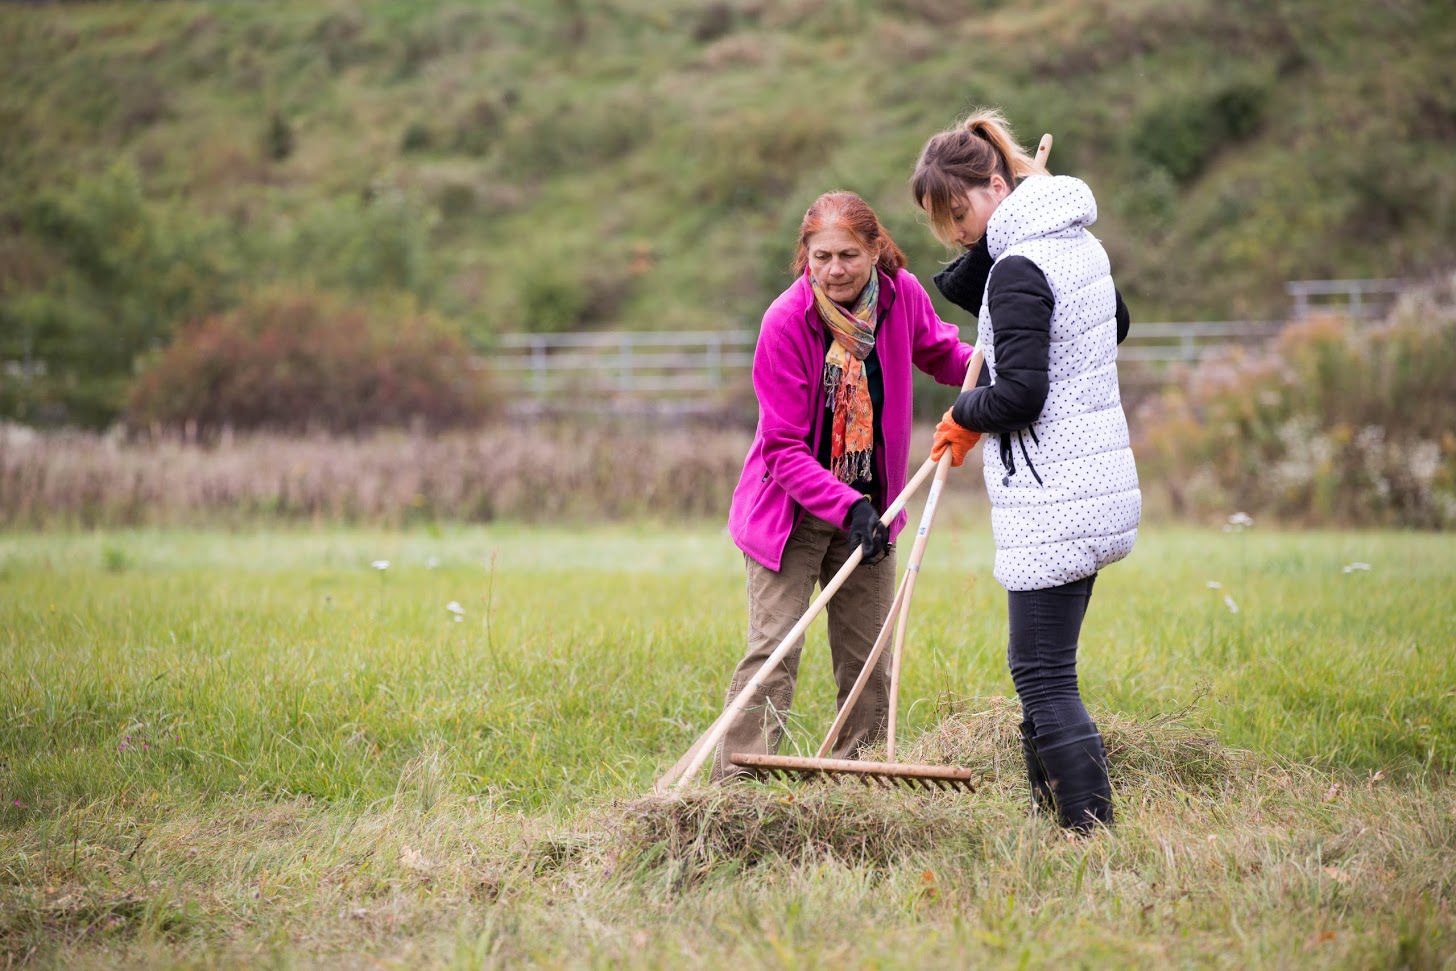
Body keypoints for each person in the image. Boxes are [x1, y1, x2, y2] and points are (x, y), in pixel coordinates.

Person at [915, 109, 1140, 832]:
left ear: (996, 186)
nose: (957, 234)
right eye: (943, 224)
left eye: (960, 214)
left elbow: (1019, 394)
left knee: (1041, 672)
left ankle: (1088, 830)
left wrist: (965, 412)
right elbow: (1115, 323)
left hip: (1055, 491)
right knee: (1041, 666)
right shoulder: (1075, 243)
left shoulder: (1019, 265)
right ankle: (1054, 816)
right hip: (1093, 480)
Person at [717, 191, 976, 781]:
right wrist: (847, 505)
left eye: (849, 256)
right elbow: (782, 449)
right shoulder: (787, 321)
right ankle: (733, 794)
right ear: (806, 257)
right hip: (792, 515)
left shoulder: (902, 296)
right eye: (822, 257)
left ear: (875, 251)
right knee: (773, 654)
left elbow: (942, 354)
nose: (835, 270)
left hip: (872, 513)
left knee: (868, 665)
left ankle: (856, 785)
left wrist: (999, 366)